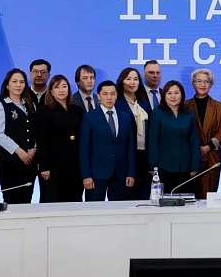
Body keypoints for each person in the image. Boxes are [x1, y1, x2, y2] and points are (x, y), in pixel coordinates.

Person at [80, 80, 136, 201]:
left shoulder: (125, 117)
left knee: (118, 209)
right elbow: (84, 149)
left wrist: (131, 173)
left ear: (116, 95)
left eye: (112, 94)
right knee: (94, 209)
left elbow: (130, 147)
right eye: (105, 94)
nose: (109, 97)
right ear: (99, 96)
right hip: (96, 174)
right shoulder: (90, 117)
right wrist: (86, 175)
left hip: (120, 173)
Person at [36, 75, 84, 203]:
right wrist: (44, 167)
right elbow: (42, 141)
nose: (61, 90)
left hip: (75, 165)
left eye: (64, 86)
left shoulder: (77, 110)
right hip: (54, 166)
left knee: (74, 200)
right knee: (53, 200)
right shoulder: (44, 111)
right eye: (57, 87)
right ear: (51, 91)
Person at [0, 69, 37, 204]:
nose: (18, 85)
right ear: (7, 85)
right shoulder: (1, 105)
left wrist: (35, 148)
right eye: (14, 81)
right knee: (11, 200)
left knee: (27, 200)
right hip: (9, 163)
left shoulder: (30, 104)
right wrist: (19, 151)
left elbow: (37, 130)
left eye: (22, 82)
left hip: (29, 162)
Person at [148, 80, 200, 194]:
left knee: (186, 198)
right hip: (164, 165)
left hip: (186, 165)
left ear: (182, 95)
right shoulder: (158, 113)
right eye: (169, 93)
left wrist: (195, 165)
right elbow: (153, 141)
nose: (173, 97)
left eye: (176, 93)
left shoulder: (189, 113)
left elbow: (194, 140)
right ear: (164, 95)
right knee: (167, 199)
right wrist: (154, 165)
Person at [185, 69, 221, 199]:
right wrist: (197, 149)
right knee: (190, 198)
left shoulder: (219, 106)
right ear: (193, 84)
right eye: (199, 81)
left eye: (206, 81)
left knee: (209, 199)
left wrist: (207, 147)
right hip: (190, 157)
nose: (202, 85)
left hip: (211, 157)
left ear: (211, 84)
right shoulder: (184, 105)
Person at [115, 67, 151, 200]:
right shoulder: (118, 102)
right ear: (122, 81)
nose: (132, 82)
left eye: (135, 79)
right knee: (127, 195)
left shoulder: (143, 102)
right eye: (128, 79)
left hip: (144, 155)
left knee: (144, 195)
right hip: (127, 155)